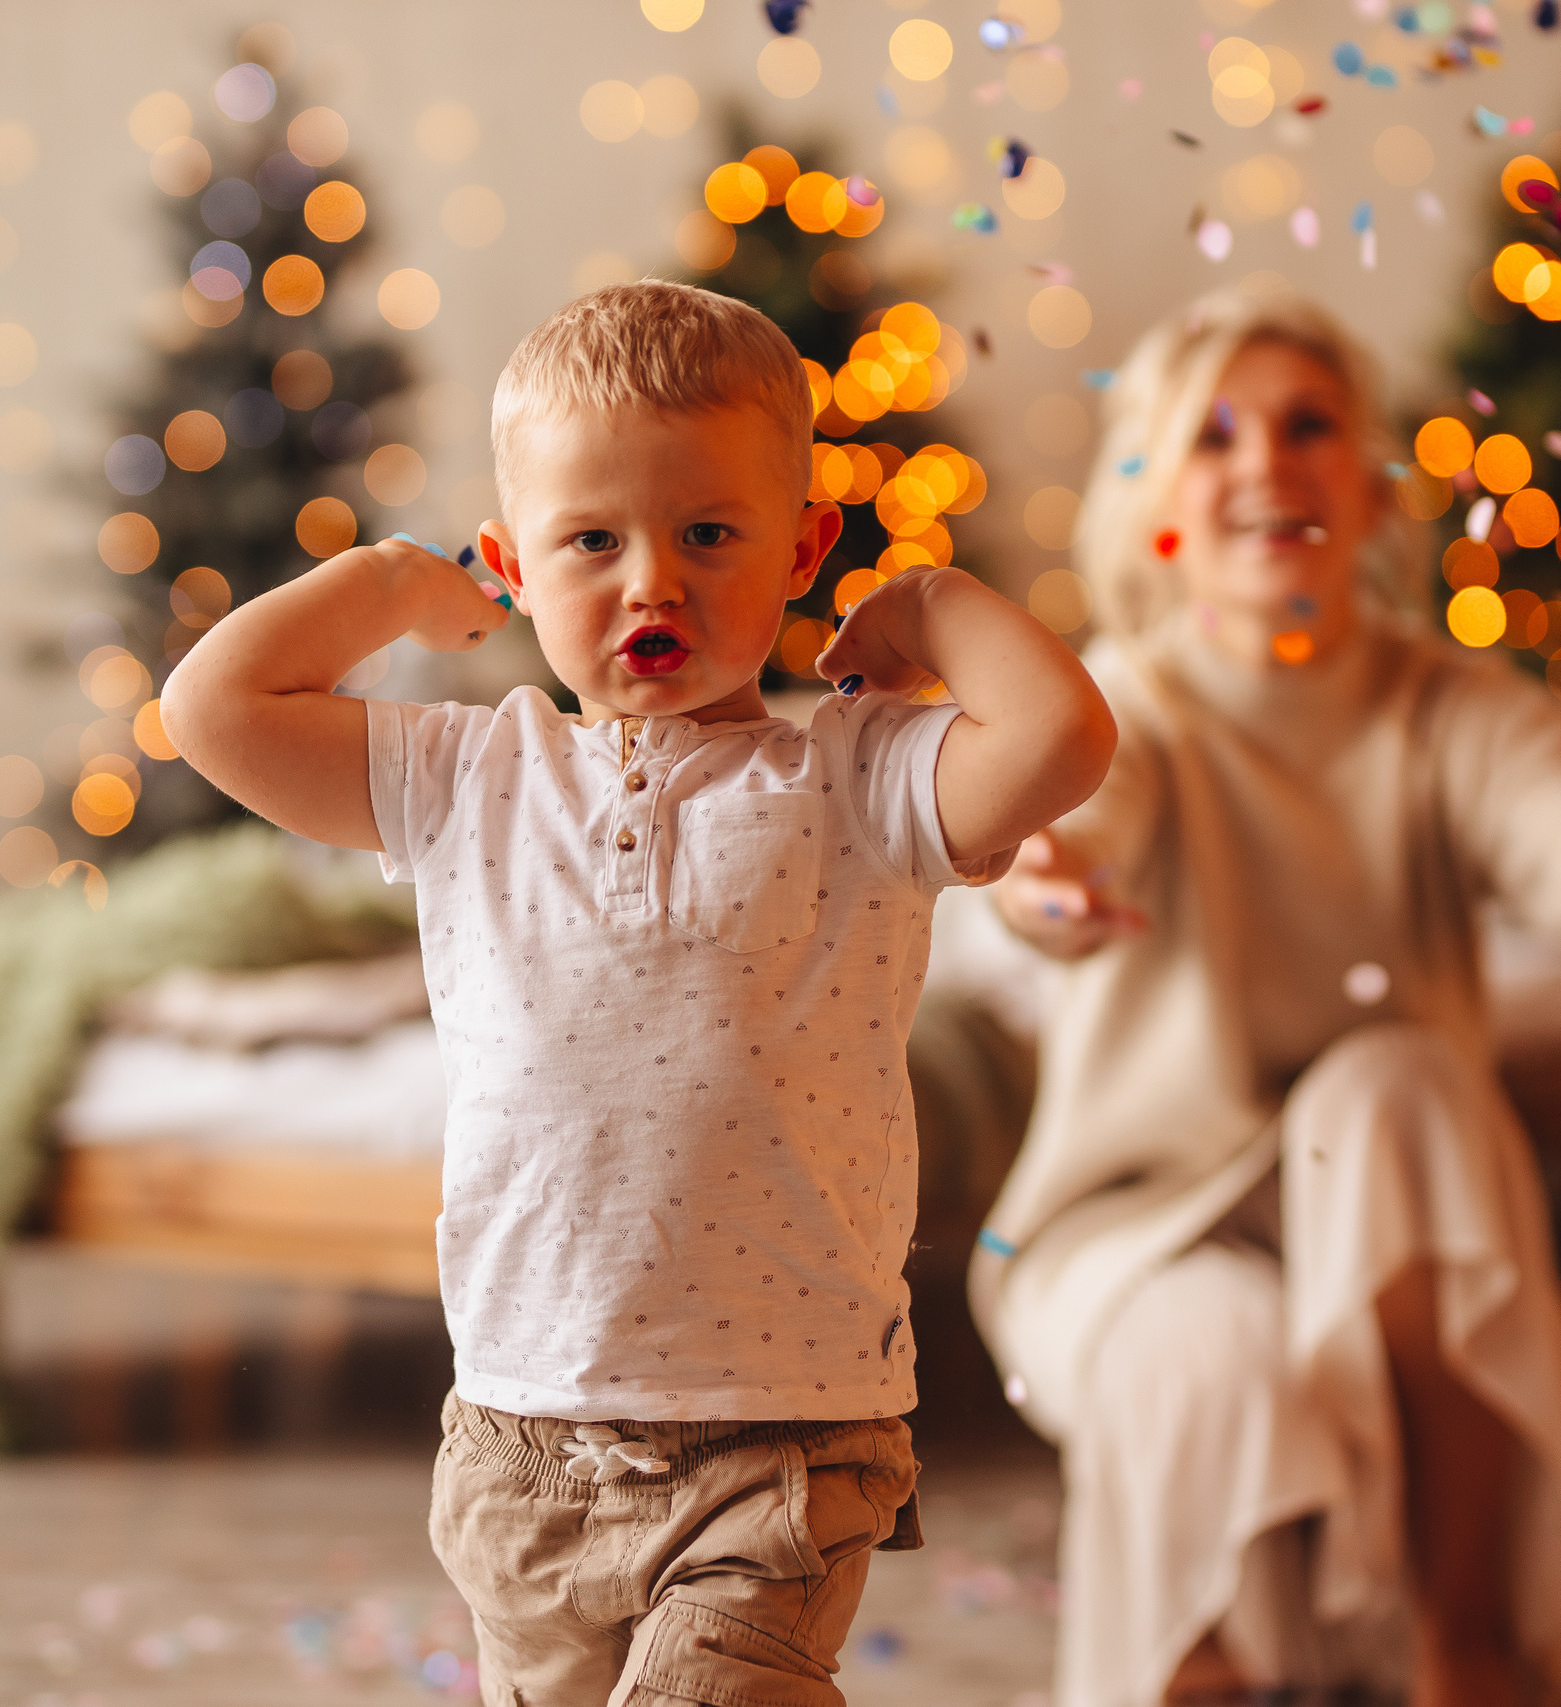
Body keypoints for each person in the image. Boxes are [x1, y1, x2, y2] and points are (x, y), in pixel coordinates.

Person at [969, 283, 1561, 1707]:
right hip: (1140, 1228)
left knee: (1398, 1086)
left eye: (1308, 426)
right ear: (1154, 499)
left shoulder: (1447, 711)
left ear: (1368, 489)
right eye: (1216, 435)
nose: (1266, 461)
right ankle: (1207, 1676)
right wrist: (1043, 881)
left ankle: (1463, 1643)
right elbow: (1071, 824)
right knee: (1204, 1354)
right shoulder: (1130, 708)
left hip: (1390, 1216)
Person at [163, 281, 1115, 1705]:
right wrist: (388, 585)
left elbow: (1062, 734)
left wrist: (930, 601)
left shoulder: (859, 779)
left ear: (804, 549)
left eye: (710, 535)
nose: (653, 582)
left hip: (780, 1440)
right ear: (515, 565)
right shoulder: (465, 775)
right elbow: (209, 711)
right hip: (523, 1431)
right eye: (593, 542)